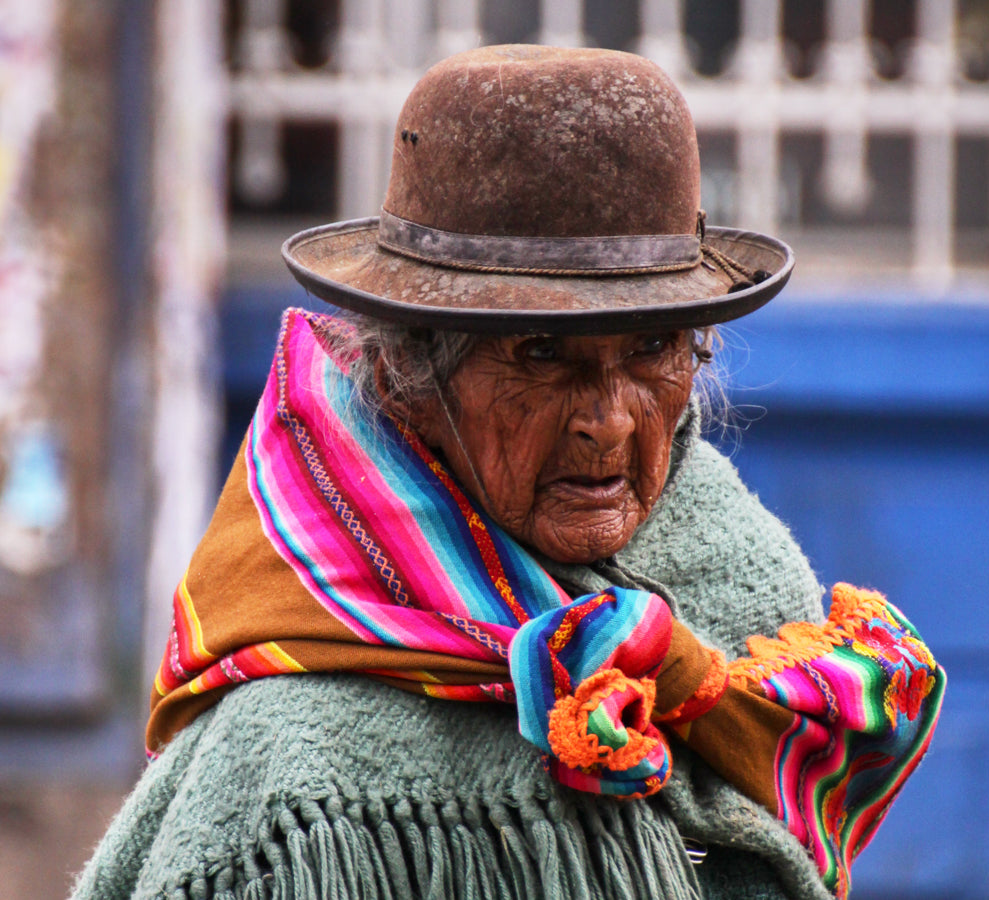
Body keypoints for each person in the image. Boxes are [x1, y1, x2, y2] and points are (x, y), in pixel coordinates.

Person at [72, 45, 943, 900]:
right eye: (541, 353)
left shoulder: (742, 582)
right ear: (404, 379)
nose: (608, 420)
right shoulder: (289, 768)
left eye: (652, 347)